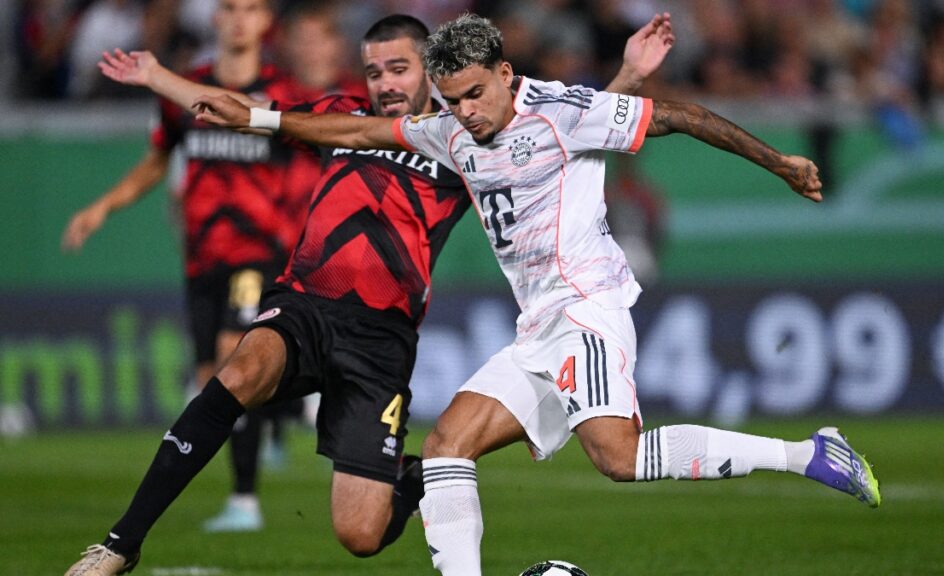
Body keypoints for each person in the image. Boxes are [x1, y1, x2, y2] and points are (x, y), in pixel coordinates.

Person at [193, 13, 881, 576]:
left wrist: (781, 162)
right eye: (452, 99)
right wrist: (261, 121)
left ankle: (808, 453)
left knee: (617, 457)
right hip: (538, 329)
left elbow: (679, 116)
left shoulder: (556, 108)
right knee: (444, 450)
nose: (465, 113)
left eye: (475, 95)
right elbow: (355, 129)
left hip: (585, 308)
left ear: (504, 74)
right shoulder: (451, 130)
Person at [64, 12, 676, 576]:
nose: (383, 82)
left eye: (399, 68)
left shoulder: (462, 139)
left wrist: (626, 76)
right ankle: (120, 545)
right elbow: (240, 110)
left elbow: (566, 131)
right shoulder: (337, 115)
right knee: (241, 370)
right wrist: (155, 76)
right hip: (305, 302)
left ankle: (417, 476)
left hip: (381, 339)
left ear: (429, 74)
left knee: (360, 533)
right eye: (374, 70)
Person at [61, 0, 316, 535]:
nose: (240, 18)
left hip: (259, 254)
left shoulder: (283, 94)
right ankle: (278, 422)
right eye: (230, 8)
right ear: (215, 19)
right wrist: (102, 206)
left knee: (232, 363)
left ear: (267, 22)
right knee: (210, 382)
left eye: (251, 9)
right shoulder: (187, 91)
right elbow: (159, 158)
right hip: (201, 257)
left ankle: (246, 501)